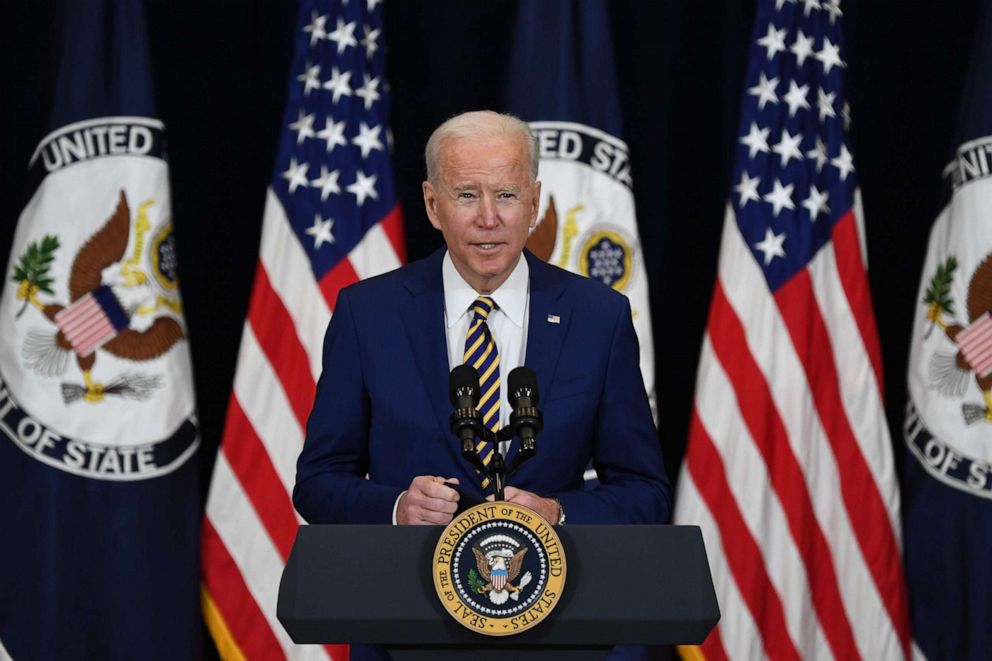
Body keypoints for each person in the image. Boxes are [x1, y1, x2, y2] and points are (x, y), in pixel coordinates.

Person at [294, 109, 669, 529]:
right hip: (406, 586)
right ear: (434, 205)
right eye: (467, 195)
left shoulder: (598, 317)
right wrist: (398, 508)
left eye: (506, 195)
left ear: (534, 202)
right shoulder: (368, 314)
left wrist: (557, 514)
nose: (488, 218)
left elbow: (645, 491)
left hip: (550, 586)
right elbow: (317, 481)